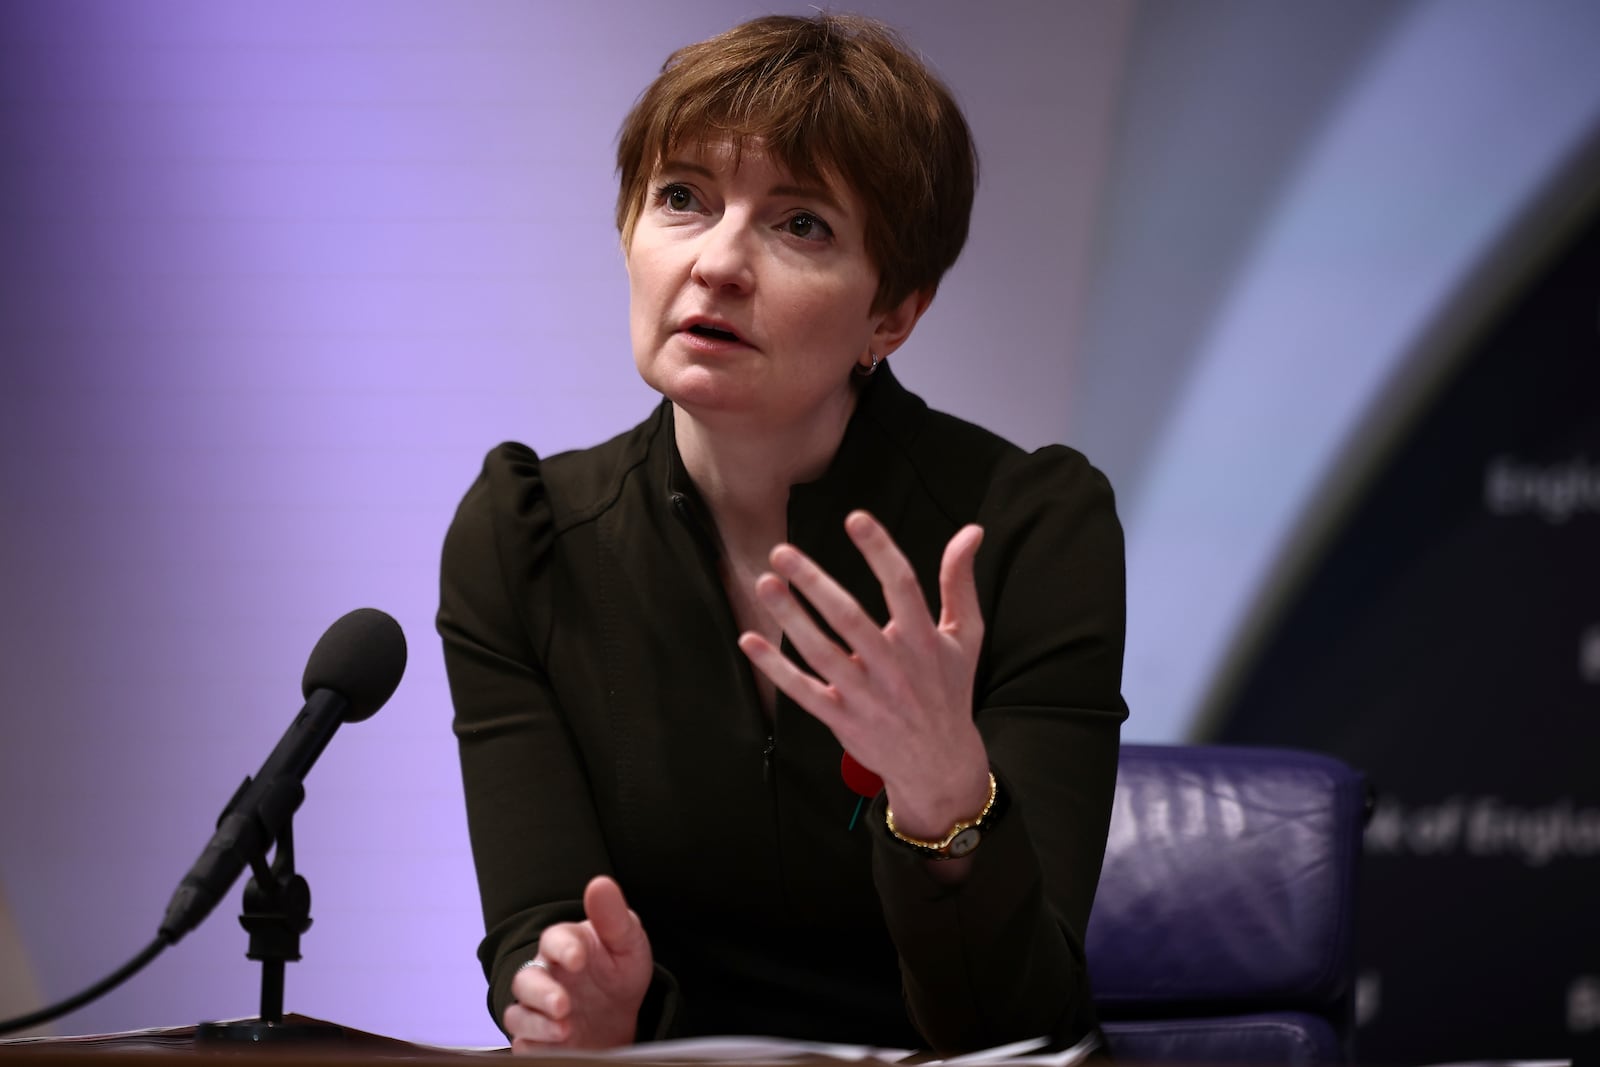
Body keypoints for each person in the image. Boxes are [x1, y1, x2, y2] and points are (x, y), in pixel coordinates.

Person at [437, 12, 1127, 1057]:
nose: (716, 262)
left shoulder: (1024, 533)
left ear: (892, 314)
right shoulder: (527, 540)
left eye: (799, 224)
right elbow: (544, 932)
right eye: (682, 199)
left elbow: (1023, 1025)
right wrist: (577, 1001)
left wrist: (944, 797)